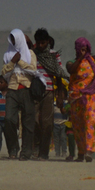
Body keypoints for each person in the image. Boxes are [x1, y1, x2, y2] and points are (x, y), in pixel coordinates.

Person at [67, 37, 95, 162]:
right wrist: (81, 58)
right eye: (81, 48)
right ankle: (81, 153)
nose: (84, 50)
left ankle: (89, 150)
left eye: (86, 48)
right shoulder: (71, 62)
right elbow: (71, 71)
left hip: (91, 97)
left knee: (91, 121)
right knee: (78, 126)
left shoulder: (94, 61)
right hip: (76, 98)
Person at [33, 28, 69, 160]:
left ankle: (43, 152)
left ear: (47, 41)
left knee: (47, 123)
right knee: (34, 121)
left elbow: (58, 74)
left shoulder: (54, 55)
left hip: (49, 92)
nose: (41, 46)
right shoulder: (32, 54)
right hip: (35, 92)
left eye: (43, 43)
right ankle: (36, 146)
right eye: (38, 43)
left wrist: (60, 95)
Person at [1, 29, 37, 161]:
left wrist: (19, 61)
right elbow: (4, 72)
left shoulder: (30, 54)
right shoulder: (7, 54)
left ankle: (26, 152)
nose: (14, 42)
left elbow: (33, 70)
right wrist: (12, 62)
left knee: (27, 122)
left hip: (27, 89)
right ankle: (13, 148)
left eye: (16, 39)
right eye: (12, 39)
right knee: (9, 119)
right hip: (12, 89)